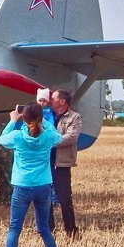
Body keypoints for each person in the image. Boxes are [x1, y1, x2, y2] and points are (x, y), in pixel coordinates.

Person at [0, 102, 64, 247]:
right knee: (44, 228)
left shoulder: (18, 137)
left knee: (14, 228)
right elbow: (59, 137)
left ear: (24, 118)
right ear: (40, 118)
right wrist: (45, 122)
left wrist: (13, 120)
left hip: (22, 186)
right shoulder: (48, 136)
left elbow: (2, 140)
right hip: (43, 185)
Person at [49, 88, 83, 238]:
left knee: (64, 198)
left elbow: (71, 137)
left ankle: (71, 230)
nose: (50, 101)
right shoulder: (47, 115)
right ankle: (48, 230)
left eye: (53, 99)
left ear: (62, 101)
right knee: (45, 198)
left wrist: (49, 142)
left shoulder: (75, 117)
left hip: (61, 163)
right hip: (45, 162)